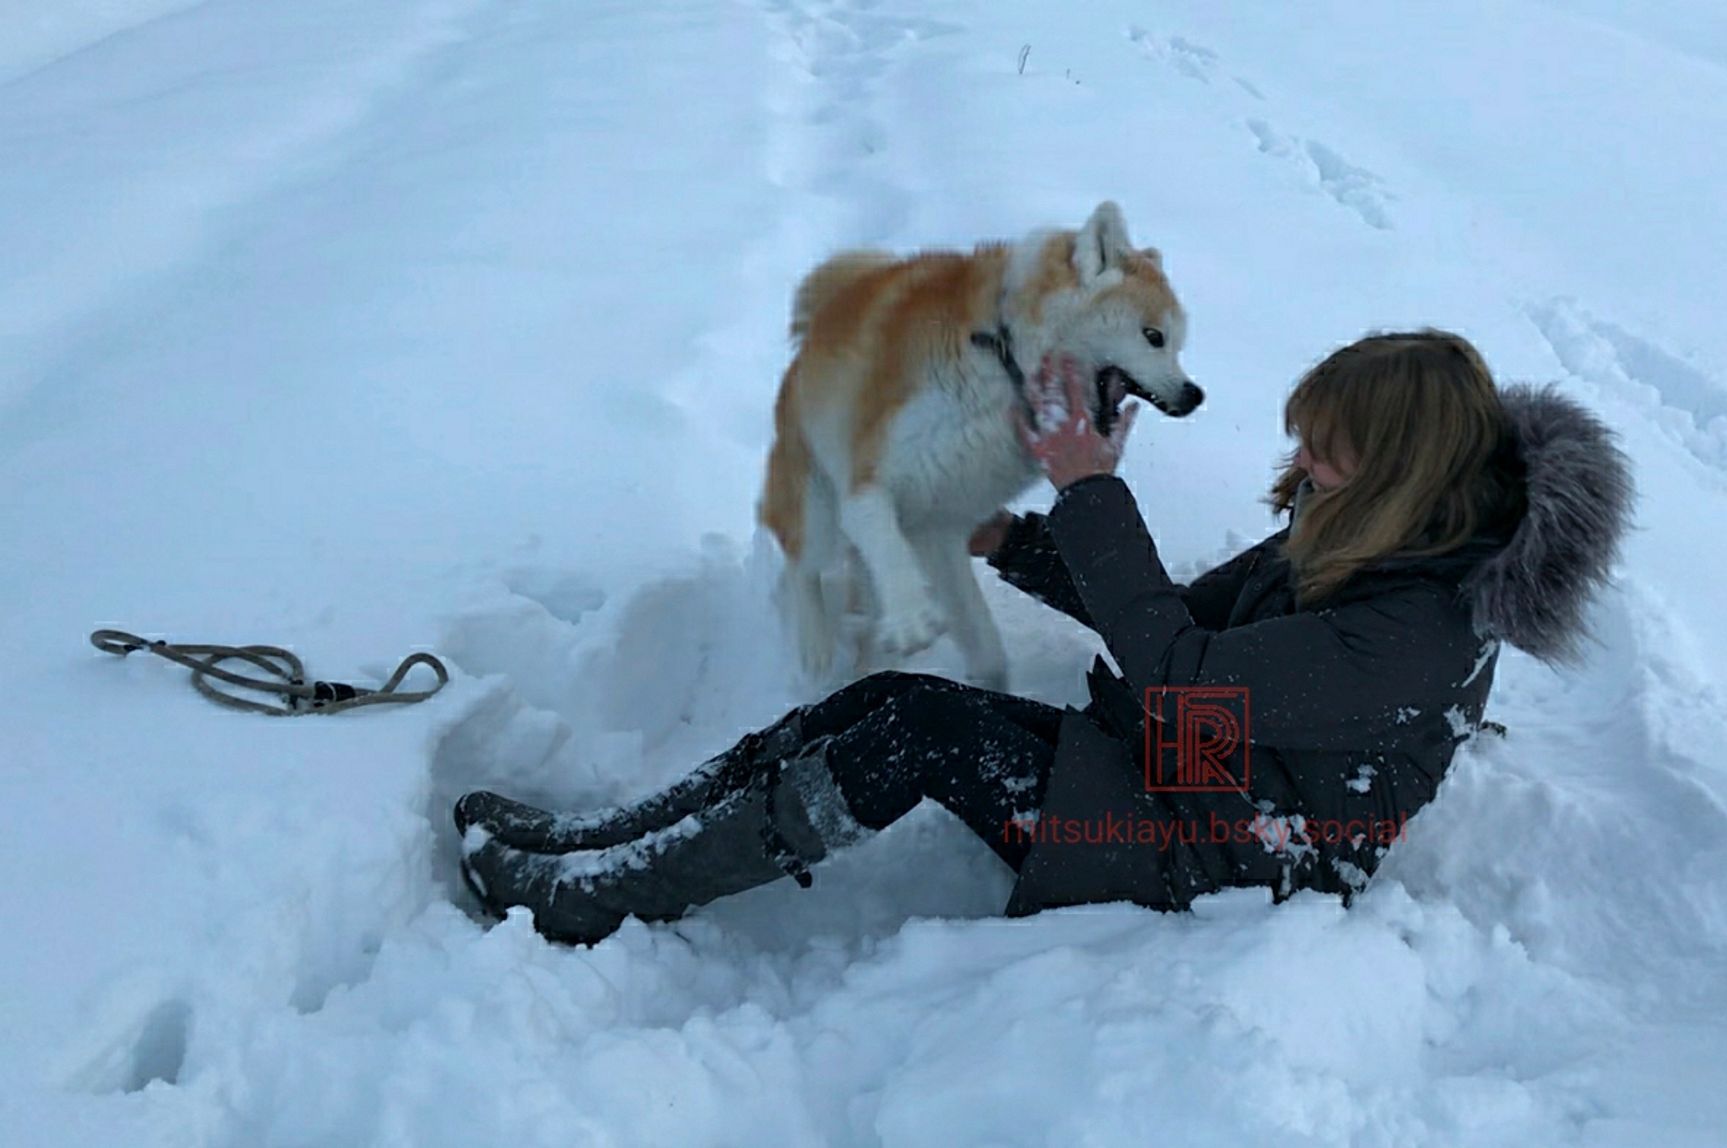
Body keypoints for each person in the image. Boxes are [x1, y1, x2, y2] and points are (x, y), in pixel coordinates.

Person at [454, 330, 1632, 945]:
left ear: (1398, 468)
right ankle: (609, 845)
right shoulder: (1363, 532)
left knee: (918, 730)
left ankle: (593, 901)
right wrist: (1004, 538)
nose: (1305, 464)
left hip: (1232, 861)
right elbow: (1169, 615)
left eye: (1328, 446)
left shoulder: (1417, 630)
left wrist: (1087, 488)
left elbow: (1178, 675)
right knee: (888, 703)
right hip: (1186, 780)